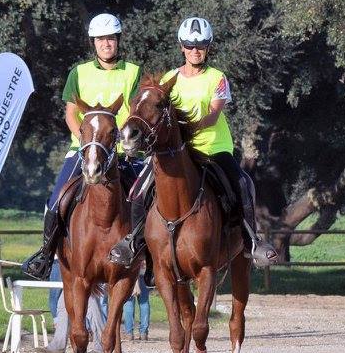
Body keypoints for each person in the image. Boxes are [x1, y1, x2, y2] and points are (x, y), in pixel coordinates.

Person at [110, 16, 277, 272]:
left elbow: (213, 114)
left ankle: (251, 241)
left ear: (208, 47)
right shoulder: (169, 79)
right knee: (137, 191)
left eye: (200, 45)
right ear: (181, 47)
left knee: (243, 183)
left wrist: (190, 128)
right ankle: (134, 242)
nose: (195, 50)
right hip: (172, 154)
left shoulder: (217, 77)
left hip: (212, 148)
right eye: (189, 45)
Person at [20, 13, 143, 280]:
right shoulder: (78, 73)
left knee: (147, 199)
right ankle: (45, 254)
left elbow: (135, 114)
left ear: (118, 41)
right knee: (55, 202)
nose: (106, 44)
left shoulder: (133, 72)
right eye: (100, 39)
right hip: (84, 150)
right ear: (93, 43)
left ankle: (151, 260)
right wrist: (87, 145)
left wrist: (121, 142)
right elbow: (70, 113)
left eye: (110, 38)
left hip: (121, 151)